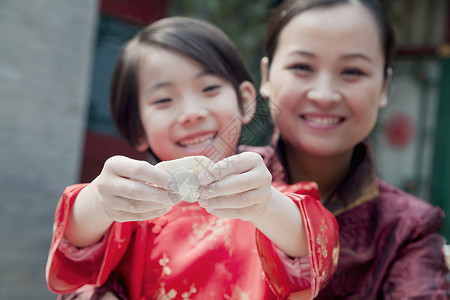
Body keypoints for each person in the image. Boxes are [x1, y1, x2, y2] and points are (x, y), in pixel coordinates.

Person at [45, 16, 338, 300]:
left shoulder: (273, 197)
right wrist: (99, 200)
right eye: (163, 100)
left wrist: (265, 205)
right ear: (137, 128)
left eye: (209, 89)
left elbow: (314, 246)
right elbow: (75, 242)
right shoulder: (129, 209)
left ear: (247, 101)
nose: (191, 113)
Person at [259, 0, 450, 298]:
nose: (324, 95)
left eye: (352, 71)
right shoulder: (214, 187)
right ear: (266, 77)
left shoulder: (409, 231)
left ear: (384, 86)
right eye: (302, 67)